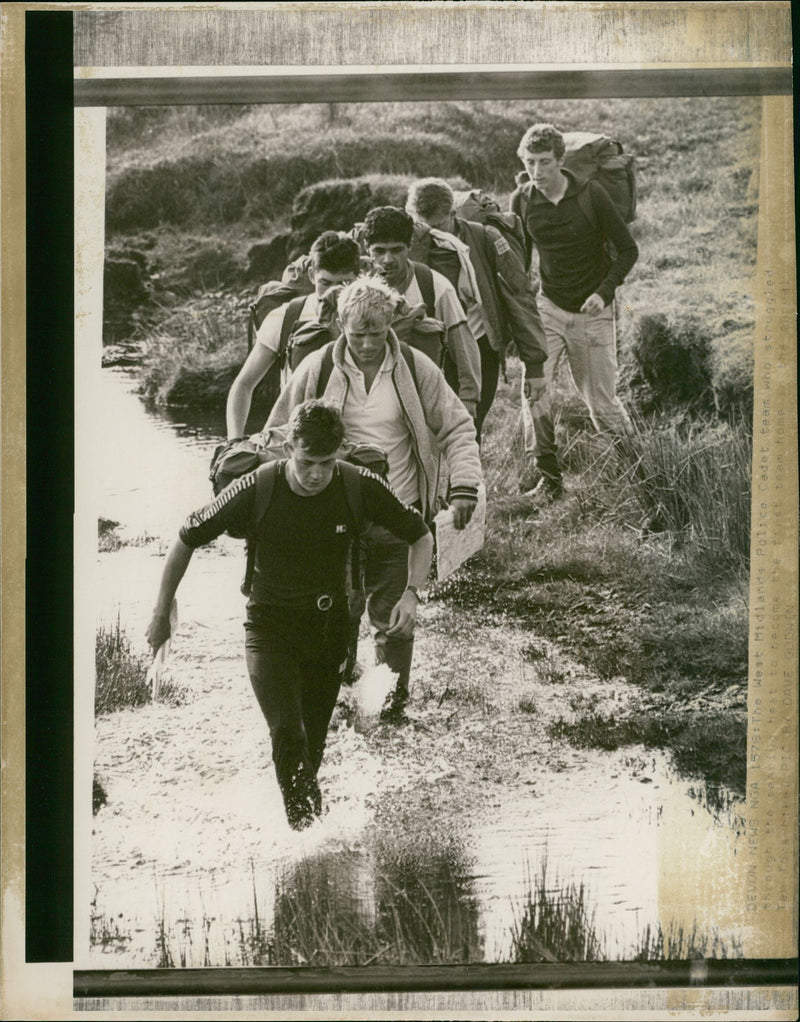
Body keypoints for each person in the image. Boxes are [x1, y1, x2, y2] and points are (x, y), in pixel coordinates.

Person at [146, 400, 433, 831]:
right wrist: (160, 612)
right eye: (305, 462)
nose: (315, 474)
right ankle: (311, 847)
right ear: (289, 451)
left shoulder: (359, 484)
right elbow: (187, 536)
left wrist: (412, 593)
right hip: (269, 628)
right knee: (288, 734)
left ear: (338, 452)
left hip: (330, 631)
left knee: (309, 753)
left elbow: (420, 533)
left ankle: (305, 847)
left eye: (325, 463)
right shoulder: (256, 487)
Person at [266, 275, 483, 721]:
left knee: (395, 621)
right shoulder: (317, 370)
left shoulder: (417, 369)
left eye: (377, 333)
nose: (367, 344)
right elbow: (279, 435)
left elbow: (458, 427)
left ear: (391, 327)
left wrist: (463, 487)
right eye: (357, 334)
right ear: (340, 327)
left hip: (397, 513)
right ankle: (340, 705)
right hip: (331, 518)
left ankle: (390, 714)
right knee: (335, 617)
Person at [510, 122, 639, 501]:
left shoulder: (591, 194)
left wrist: (604, 292)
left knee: (601, 406)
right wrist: (523, 312)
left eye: (545, 162)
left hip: (593, 311)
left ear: (561, 161)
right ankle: (549, 479)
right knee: (533, 391)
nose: (537, 172)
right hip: (548, 306)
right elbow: (521, 262)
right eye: (530, 162)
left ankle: (641, 475)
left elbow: (628, 250)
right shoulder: (522, 200)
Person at [406, 177, 549, 442]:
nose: (430, 232)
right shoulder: (404, 246)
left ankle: (469, 483)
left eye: (437, 225)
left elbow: (520, 297)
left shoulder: (486, 238)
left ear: (453, 214)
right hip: (426, 354)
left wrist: (535, 364)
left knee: (470, 431)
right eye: (422, 226)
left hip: (479, 351)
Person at [225, 232, 360, 440]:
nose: (332, 293)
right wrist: (234, 441)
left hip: (355, 436)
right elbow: (244, 384)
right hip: (298, 439)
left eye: (344, 284)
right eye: (326, 282)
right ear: (312, 273)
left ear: (357, 278)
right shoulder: (286, 317)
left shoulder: (371, 318)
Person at [361, 206, 482, 423]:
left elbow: (463, 346)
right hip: (367, 404)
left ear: (409, 247)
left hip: (424, 400)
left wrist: (469, 400)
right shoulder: (354, 290)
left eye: (396, 250)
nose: (387, 259)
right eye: (379, 251)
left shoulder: (434, 286)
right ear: (367, 249)